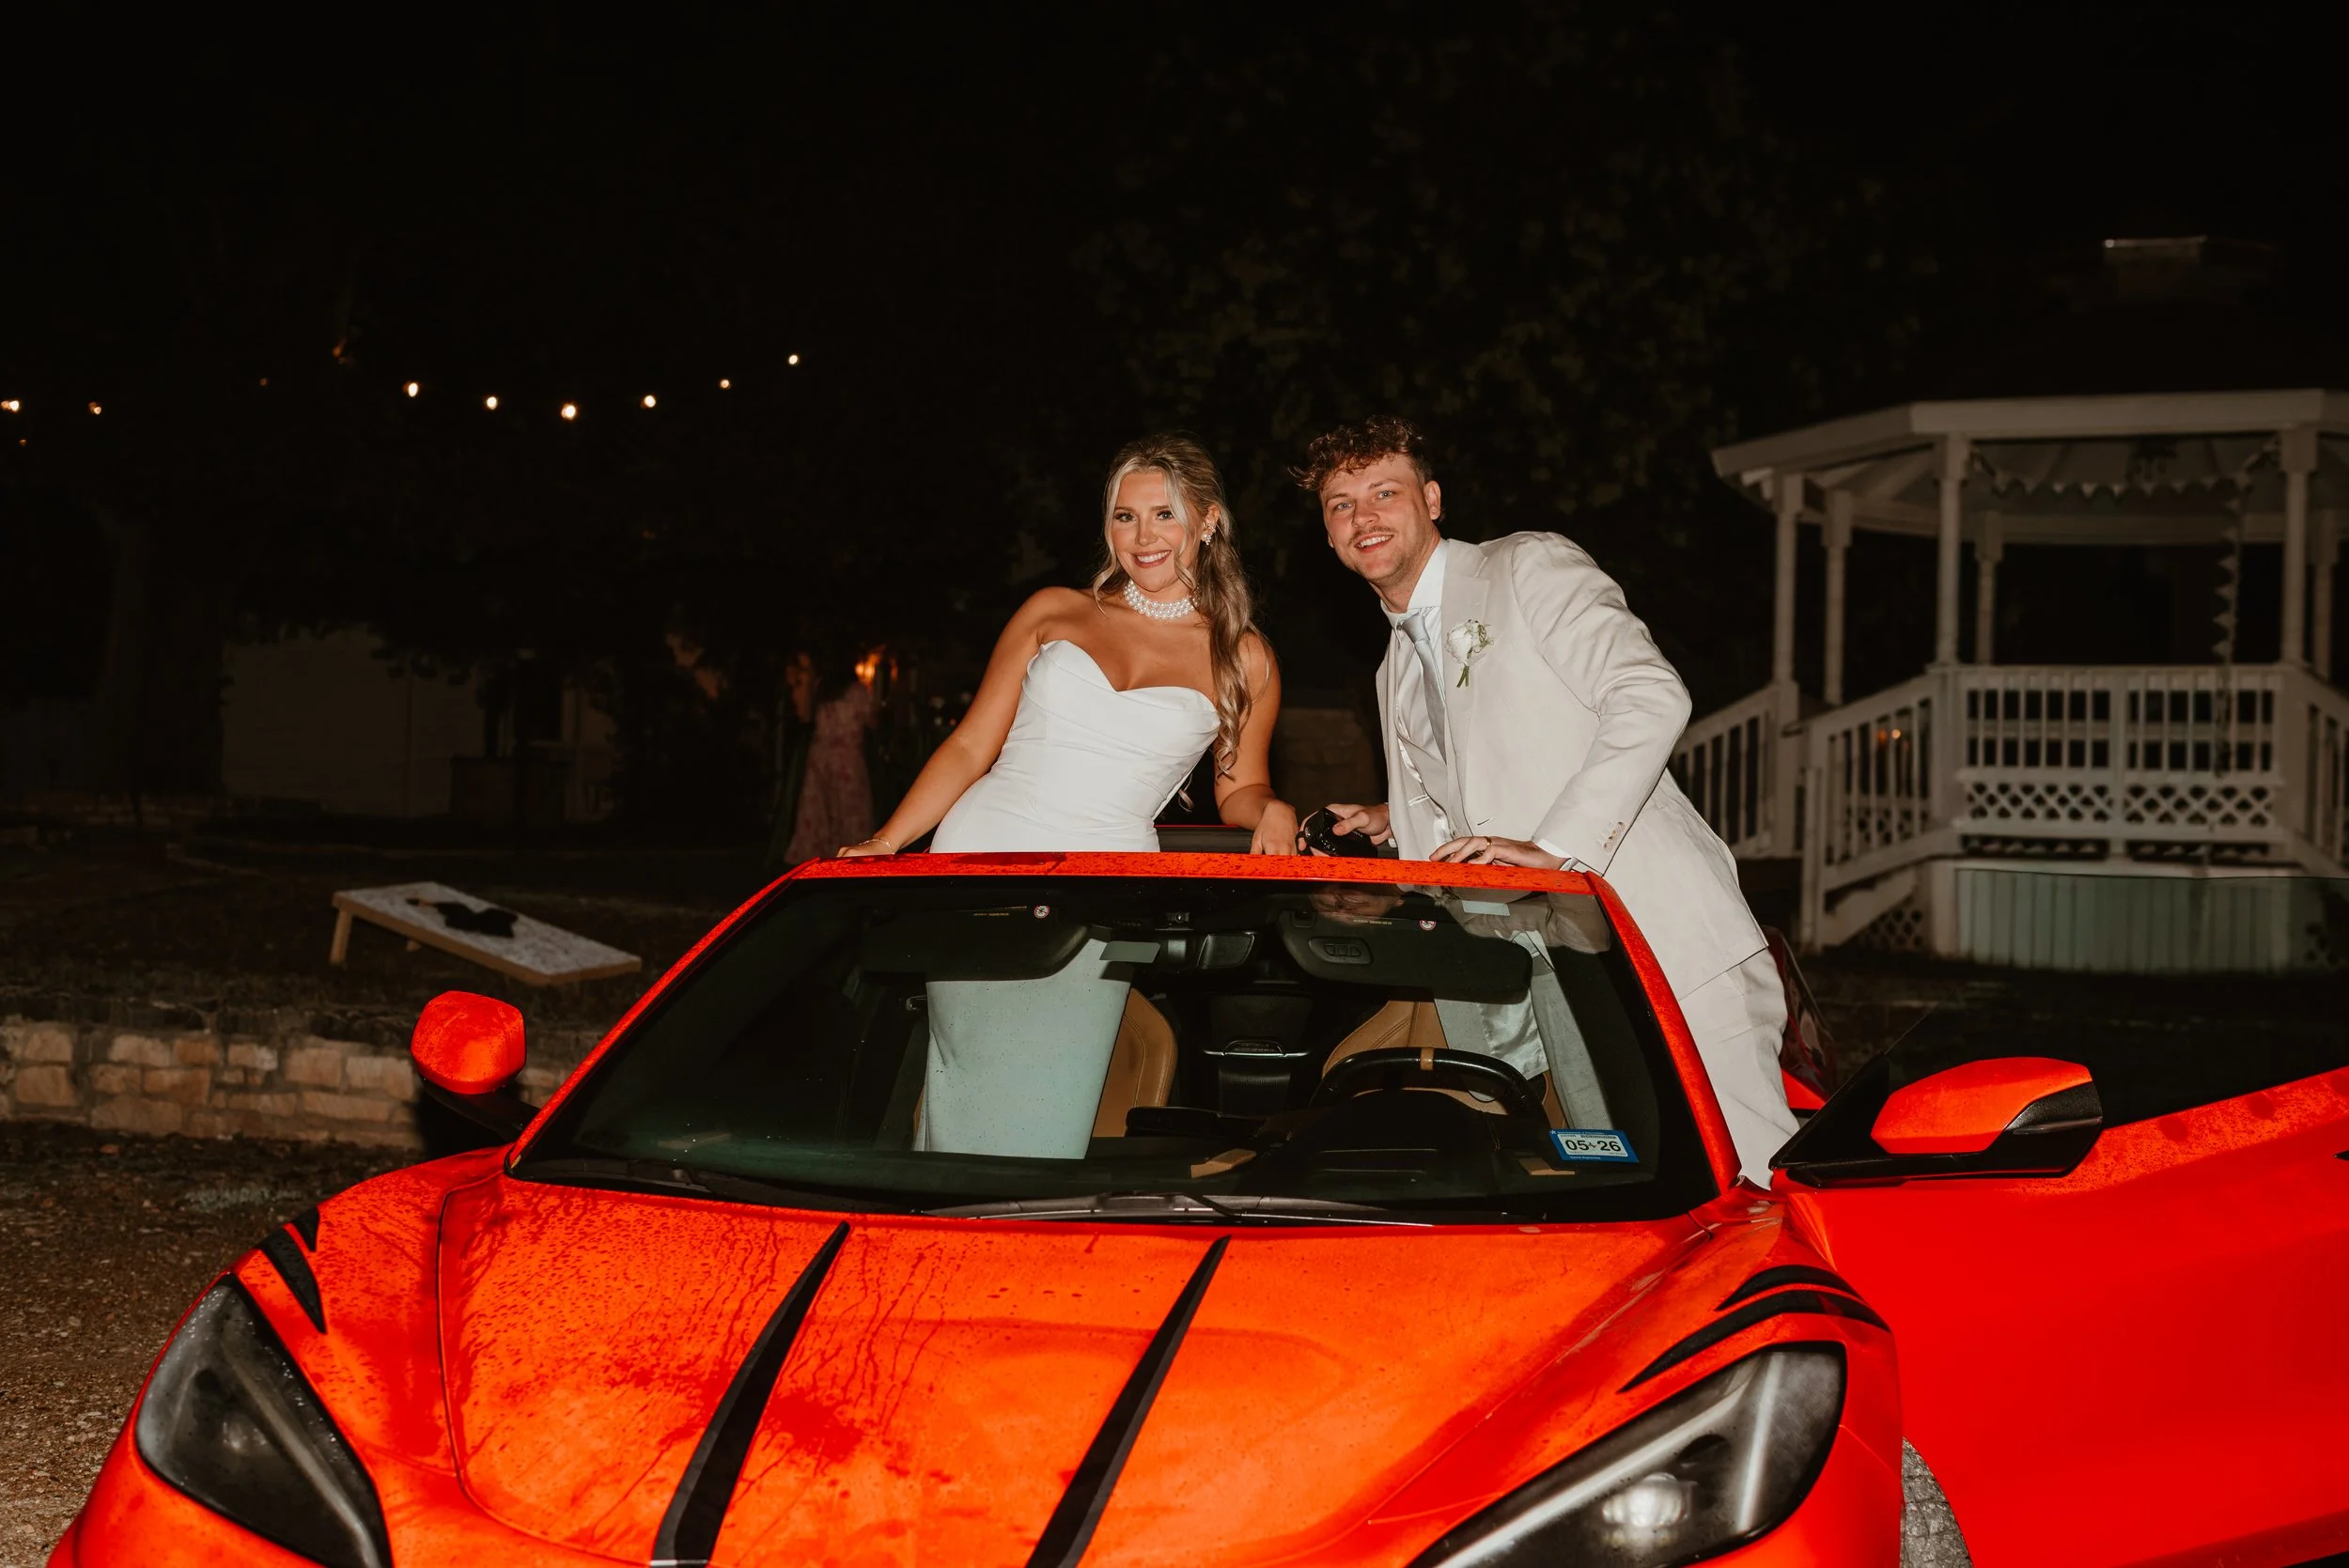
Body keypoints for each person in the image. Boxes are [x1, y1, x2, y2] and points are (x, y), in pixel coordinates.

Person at [1304, 415, 1797, 1188]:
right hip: (1566, 973)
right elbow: (1475, 799)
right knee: (1631, 1197)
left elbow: (1648, 694)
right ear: (1328, 535)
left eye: (1384, 492)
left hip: (1665, 945)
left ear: (1431, 499)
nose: (1362, 517)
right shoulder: (1393, 666)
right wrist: (1392, 820)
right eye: (1340, 503)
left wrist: (1556, 848)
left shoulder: (1526, 566)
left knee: (1752, 1182)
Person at [840, 433, 1297, 1157]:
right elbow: (968, 745)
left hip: (1105, 893)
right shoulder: (1054, 610)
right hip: (980, 863)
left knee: (1051, 1106)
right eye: (1124, 516)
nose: (1142, 537)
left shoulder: (1243, 655)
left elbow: (1239, 787)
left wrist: (1271, 806)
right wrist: (889, 841)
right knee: (968, 1080)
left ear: (1208, 522)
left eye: (1164, 515)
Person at [780, 644, 879, 867]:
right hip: (846, 763)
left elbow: (805, 716)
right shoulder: (856, 691)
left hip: (822, 760)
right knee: (848, 814)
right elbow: (872, 720)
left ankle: (823, 862)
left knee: (823, 814)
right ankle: (850, 861)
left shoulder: (822, 689)